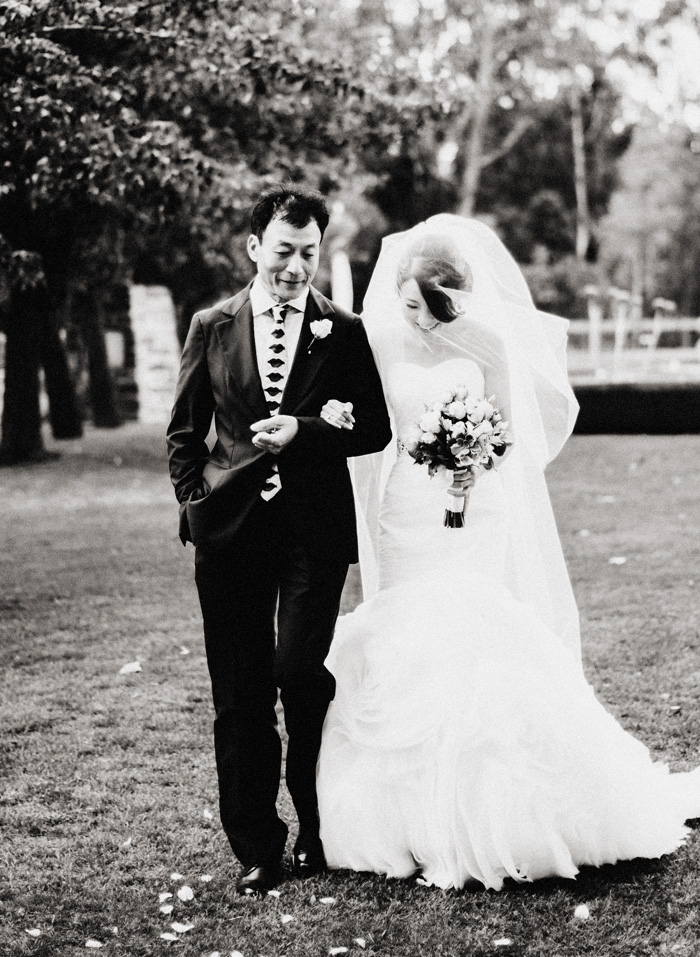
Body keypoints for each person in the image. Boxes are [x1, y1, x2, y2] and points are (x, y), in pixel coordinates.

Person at [315, 215, 700, 891]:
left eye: (434, 307)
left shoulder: (487, 340)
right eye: (410, 303)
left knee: (474, 629)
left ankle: (495, 805)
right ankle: (407, 813)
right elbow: (369, 414)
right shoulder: (381, 335)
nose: (420, 319)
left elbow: (510, 436)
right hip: (405, 506)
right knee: (408, 633)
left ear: (457, 297)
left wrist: (474, 459)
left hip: (474, 503)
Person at [166, 186, 392, 894]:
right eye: (284, 251)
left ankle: (320, 827)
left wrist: (309, 430)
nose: (296, 267)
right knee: (239, 693)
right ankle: (259, 846)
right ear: (254, 247)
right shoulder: (211, 324)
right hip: (229, 534)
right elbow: (183, 432)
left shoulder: (342, 330)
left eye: (308, 253)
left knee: (299, 673)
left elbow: (376, 427)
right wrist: (197, 501)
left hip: (312, 533)